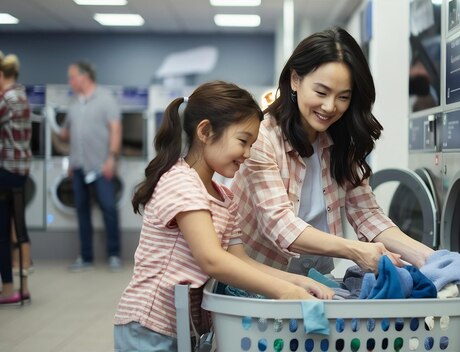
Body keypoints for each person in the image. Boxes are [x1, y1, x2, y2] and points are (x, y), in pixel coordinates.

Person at [113, 81, 333, 351]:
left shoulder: (223, 197)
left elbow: (239, 259)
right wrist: (282, 291)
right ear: (205, 131)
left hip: (183, 329)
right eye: (243, 141)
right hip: (149, 327)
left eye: (252, 144)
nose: (248, 154)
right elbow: (212, 260)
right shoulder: (181, 182)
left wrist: (298, 281)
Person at [231, 27, 435, 276]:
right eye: (321, 92)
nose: (330, 107)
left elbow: (367, 214)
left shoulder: (341, 140)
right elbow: (280, 226)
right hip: (259, 282)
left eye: (343, 97)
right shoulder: (262, 139)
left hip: (317, 278)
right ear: (295, 80)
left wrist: (430, 259)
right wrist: (355, 250)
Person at [57, 60, 123, 272]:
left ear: (84, 77)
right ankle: (86, 257)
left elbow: (115, 129)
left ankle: (114, 254)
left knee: (109, 208)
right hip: (78, 166)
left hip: (100, 165)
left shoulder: (105, 99)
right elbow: (67, 134)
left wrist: (111, 158)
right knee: (82, 212)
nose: (70, 81)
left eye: (72, 77)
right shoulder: (74, 103)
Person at [0, 52, 32, 304]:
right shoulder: (22, 96)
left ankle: (8, 289)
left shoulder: (5, 99)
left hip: (5, 170)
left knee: (2, 230)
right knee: (19, 227)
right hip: (22, 170)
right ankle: (25, 284)